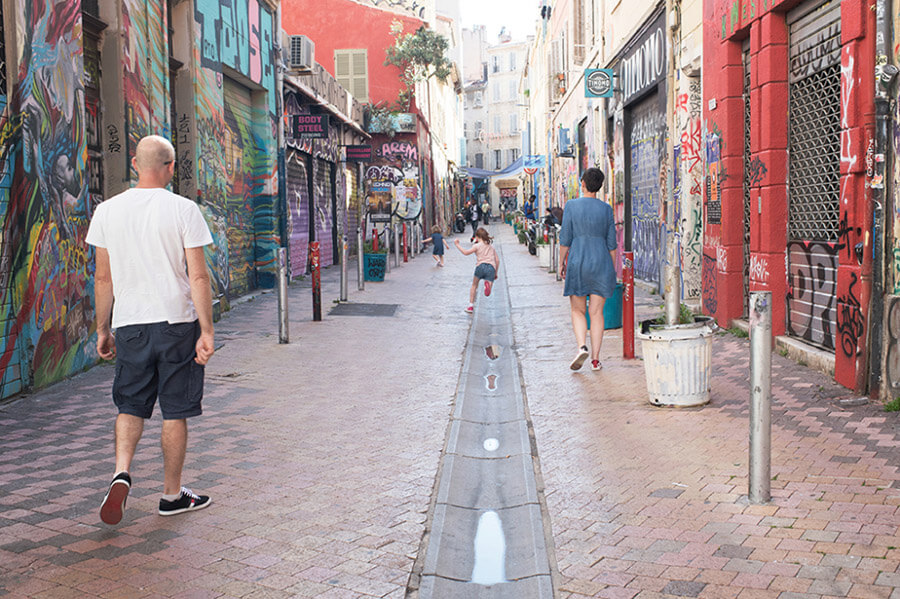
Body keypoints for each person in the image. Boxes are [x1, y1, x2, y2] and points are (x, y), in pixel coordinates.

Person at [86, 135, 215, 525]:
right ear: (171, 167)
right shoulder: (183, 209)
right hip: (177, 323)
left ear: (135, 165)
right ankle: (171, 495)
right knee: (175, 411)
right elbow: (199, 276)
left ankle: (121, 472)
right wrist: (207, 330)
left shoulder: (107, 211)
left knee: (130, 405)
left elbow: (103, 278)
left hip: (130, 325)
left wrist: (102, 329)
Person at [559, 167, 617, 371]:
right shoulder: (606, 209)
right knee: (597, 312)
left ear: (582, 183)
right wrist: (612, 269)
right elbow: (612, 244)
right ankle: (595, 359)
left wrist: (561, 263)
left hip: (578, 262)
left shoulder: (571, 206)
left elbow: (565, 239)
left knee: (577, 310)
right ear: (599, 187)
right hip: (601, 262)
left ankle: (581, 346)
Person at [454, 227, 500, 314]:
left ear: (477, 237)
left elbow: (466, 253)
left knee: (474, 285)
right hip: (491, 268)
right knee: (488, 289)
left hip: (480, 266)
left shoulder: (476, 246)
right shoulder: (491, 247)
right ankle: (488, 285)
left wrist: (457, 245)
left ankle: (470, 306)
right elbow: (497, 260)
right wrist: (495, 273)